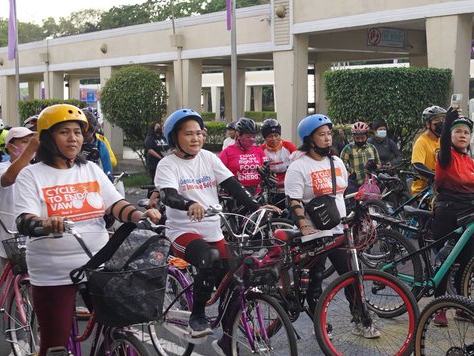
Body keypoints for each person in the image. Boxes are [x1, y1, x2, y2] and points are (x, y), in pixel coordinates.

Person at [13, 104, 158, 356]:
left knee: (121, 328)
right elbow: (23, 218)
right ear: (48, 138)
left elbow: (115, 205)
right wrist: (42, 223)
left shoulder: (91, 169)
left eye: (78, 131)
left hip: (98, 261)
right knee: (54, 347)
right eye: (65, 131)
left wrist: (138, 214)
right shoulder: (32, 176)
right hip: (53, 270)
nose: (74, 138)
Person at [154, 109, 264, 342]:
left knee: (234, 282)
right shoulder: (167, 164)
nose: (196, 139)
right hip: (183, 232)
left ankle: (226, 341)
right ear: (175, 138)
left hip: (214, 229)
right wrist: (189, 203)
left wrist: (257, 207)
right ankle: (198, 316)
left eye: (199, 133)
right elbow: (169, 196)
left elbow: (233, 185)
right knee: (211, 258)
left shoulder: (209, 158)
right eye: (189, 134)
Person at [284, 113, 379, 338]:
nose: (327, 139)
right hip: (314, 233)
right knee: (314, 281)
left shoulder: (336, 162)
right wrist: (303, 226)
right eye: (321, 135)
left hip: (339, 231)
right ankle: (319, 323)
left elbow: (341, 192)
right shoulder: (298, 167)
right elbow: (294, 200)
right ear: (309, 139)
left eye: (329, 134)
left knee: (351, 275)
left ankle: (362, 320)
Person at [0, 125, 37, 356]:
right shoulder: (0, 168)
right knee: (16, 295)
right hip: (12, 241)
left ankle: (39, 340)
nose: (29, 145)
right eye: (24, 142)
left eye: (32, 141)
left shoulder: (39, 170)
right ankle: (18, 341)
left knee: (38, 296)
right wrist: (29, 154)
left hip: (39, 239)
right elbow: (9, 180)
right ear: (10, 146)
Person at [430, 107, 474, 314]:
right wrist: (448, 122)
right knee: (446, 263)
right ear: (450, 135)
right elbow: (442, 145)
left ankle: (461, 307)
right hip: (447, 215)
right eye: (458, 131)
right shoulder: (446, 155)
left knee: (467, 263)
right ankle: (439, 309)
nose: (462, 135)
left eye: (466, 133)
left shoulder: (469, 161)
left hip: (468, 216)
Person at [217, 118, 266, 204]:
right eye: (248, 136)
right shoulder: (227, 152)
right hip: (236, 195)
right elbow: (218, 173)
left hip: (257, 194)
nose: (252, 139)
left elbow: (266, 169)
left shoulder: (258, 150)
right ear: (238, 135)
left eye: (253, 136)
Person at [411, 105, 446, 194]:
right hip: (423, 191)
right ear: (428, 124)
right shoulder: (421, 142)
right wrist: (435, 176)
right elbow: (417, 165)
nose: (441, 123)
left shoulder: (442, 141)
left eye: (443, 120)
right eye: (437, 120)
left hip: (441, 188)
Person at [342, 121, 379, 195]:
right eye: (357, 138)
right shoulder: (348, 148)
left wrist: (374, 166)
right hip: (354, 184)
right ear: (353, 137)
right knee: (354, 205)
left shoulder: (372, 148)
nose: (360, 140)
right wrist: (347, 172)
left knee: (372, 205)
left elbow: (379, 164)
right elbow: (341, 166)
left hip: (370, 184)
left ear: (366, 136)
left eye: (362, 137)